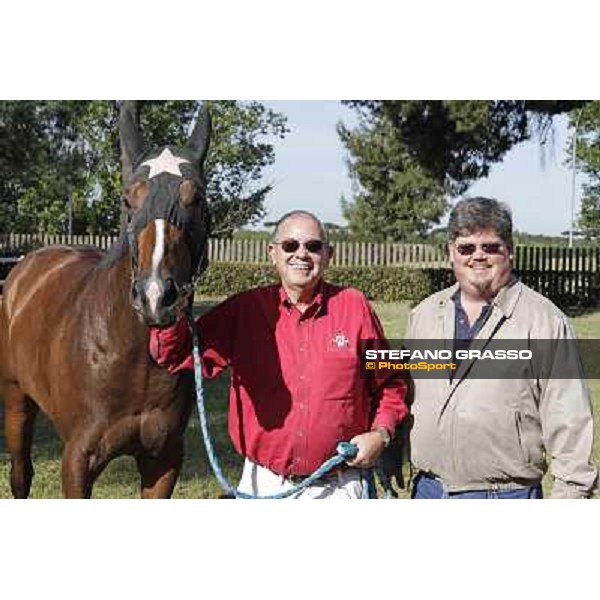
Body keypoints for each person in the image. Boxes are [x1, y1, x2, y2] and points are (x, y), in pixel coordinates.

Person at [149, 210, 408, 498]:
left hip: (341, 484)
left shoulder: (355, 306)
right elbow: (174, 354)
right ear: (272, 253)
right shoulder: (243, 310)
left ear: (329, 254)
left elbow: (393, 381)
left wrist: (380, 434)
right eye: (290, 245)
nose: (302, 254)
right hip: (265, 483)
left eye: (313, 246)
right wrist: (167, 309)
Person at [407, 197, 597, 499]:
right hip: (429, 490)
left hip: (504, 495)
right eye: (466, 248)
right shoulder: (425, 315)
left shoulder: (545, 321)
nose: (478, 256)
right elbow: (404, 397)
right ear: (451, 252)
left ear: (510, 250)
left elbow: (569, 419)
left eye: (490, 247)